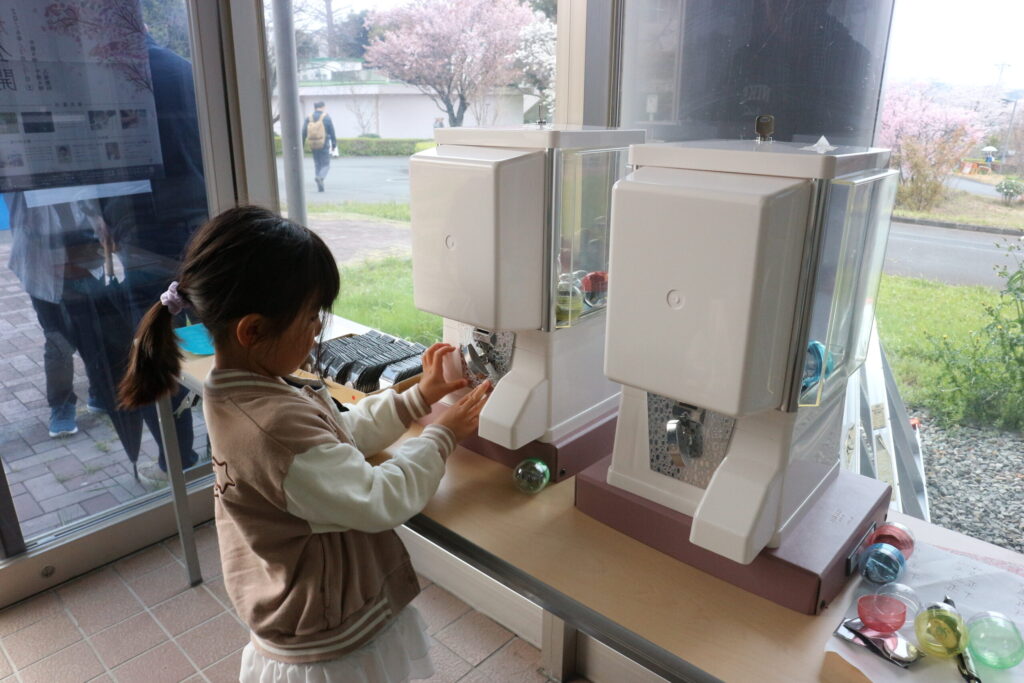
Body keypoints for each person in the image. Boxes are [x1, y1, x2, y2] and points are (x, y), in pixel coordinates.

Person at [118, 206, 492, 682]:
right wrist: (443, 435)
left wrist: (418, 397)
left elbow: (336, 437)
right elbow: (378, 498)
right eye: (311, 318)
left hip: (296, 607)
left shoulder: (238, 388)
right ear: (253, 330)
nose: (317, 330)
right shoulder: (273, 429)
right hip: (329, 639)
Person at [5, 193, 107, 437]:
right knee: (58, 341)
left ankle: (101, 392)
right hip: (43, 268)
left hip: (86, 262)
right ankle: (62, 407)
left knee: (94, 333)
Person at [301, 101, 337, 192]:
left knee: (317, 163)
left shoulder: (309, 118)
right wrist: (334, 144)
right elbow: (332, 131)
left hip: (313, 144)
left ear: (315, 107)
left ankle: (319, 183)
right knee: (326, 164)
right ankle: (320, 177)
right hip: (324, 143)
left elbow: (304, 132)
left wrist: (302, 144)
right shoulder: (326, 117)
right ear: (323, 107)